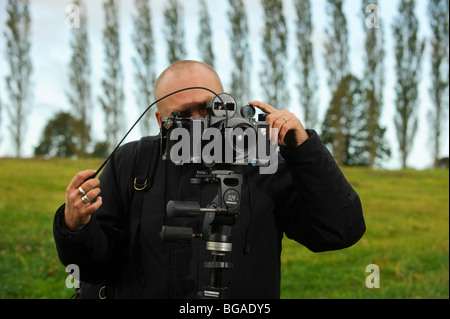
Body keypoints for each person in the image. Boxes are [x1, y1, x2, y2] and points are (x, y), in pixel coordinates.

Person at [53, 60, 365, 298]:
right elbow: (94, 267)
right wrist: (75, 227)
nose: (200, 123)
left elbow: (338, 231)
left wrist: (304, 150)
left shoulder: (261, 160)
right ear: (161, 120)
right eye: (183, 116)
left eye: (209, 108)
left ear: (227, 103)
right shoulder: (131, 162)